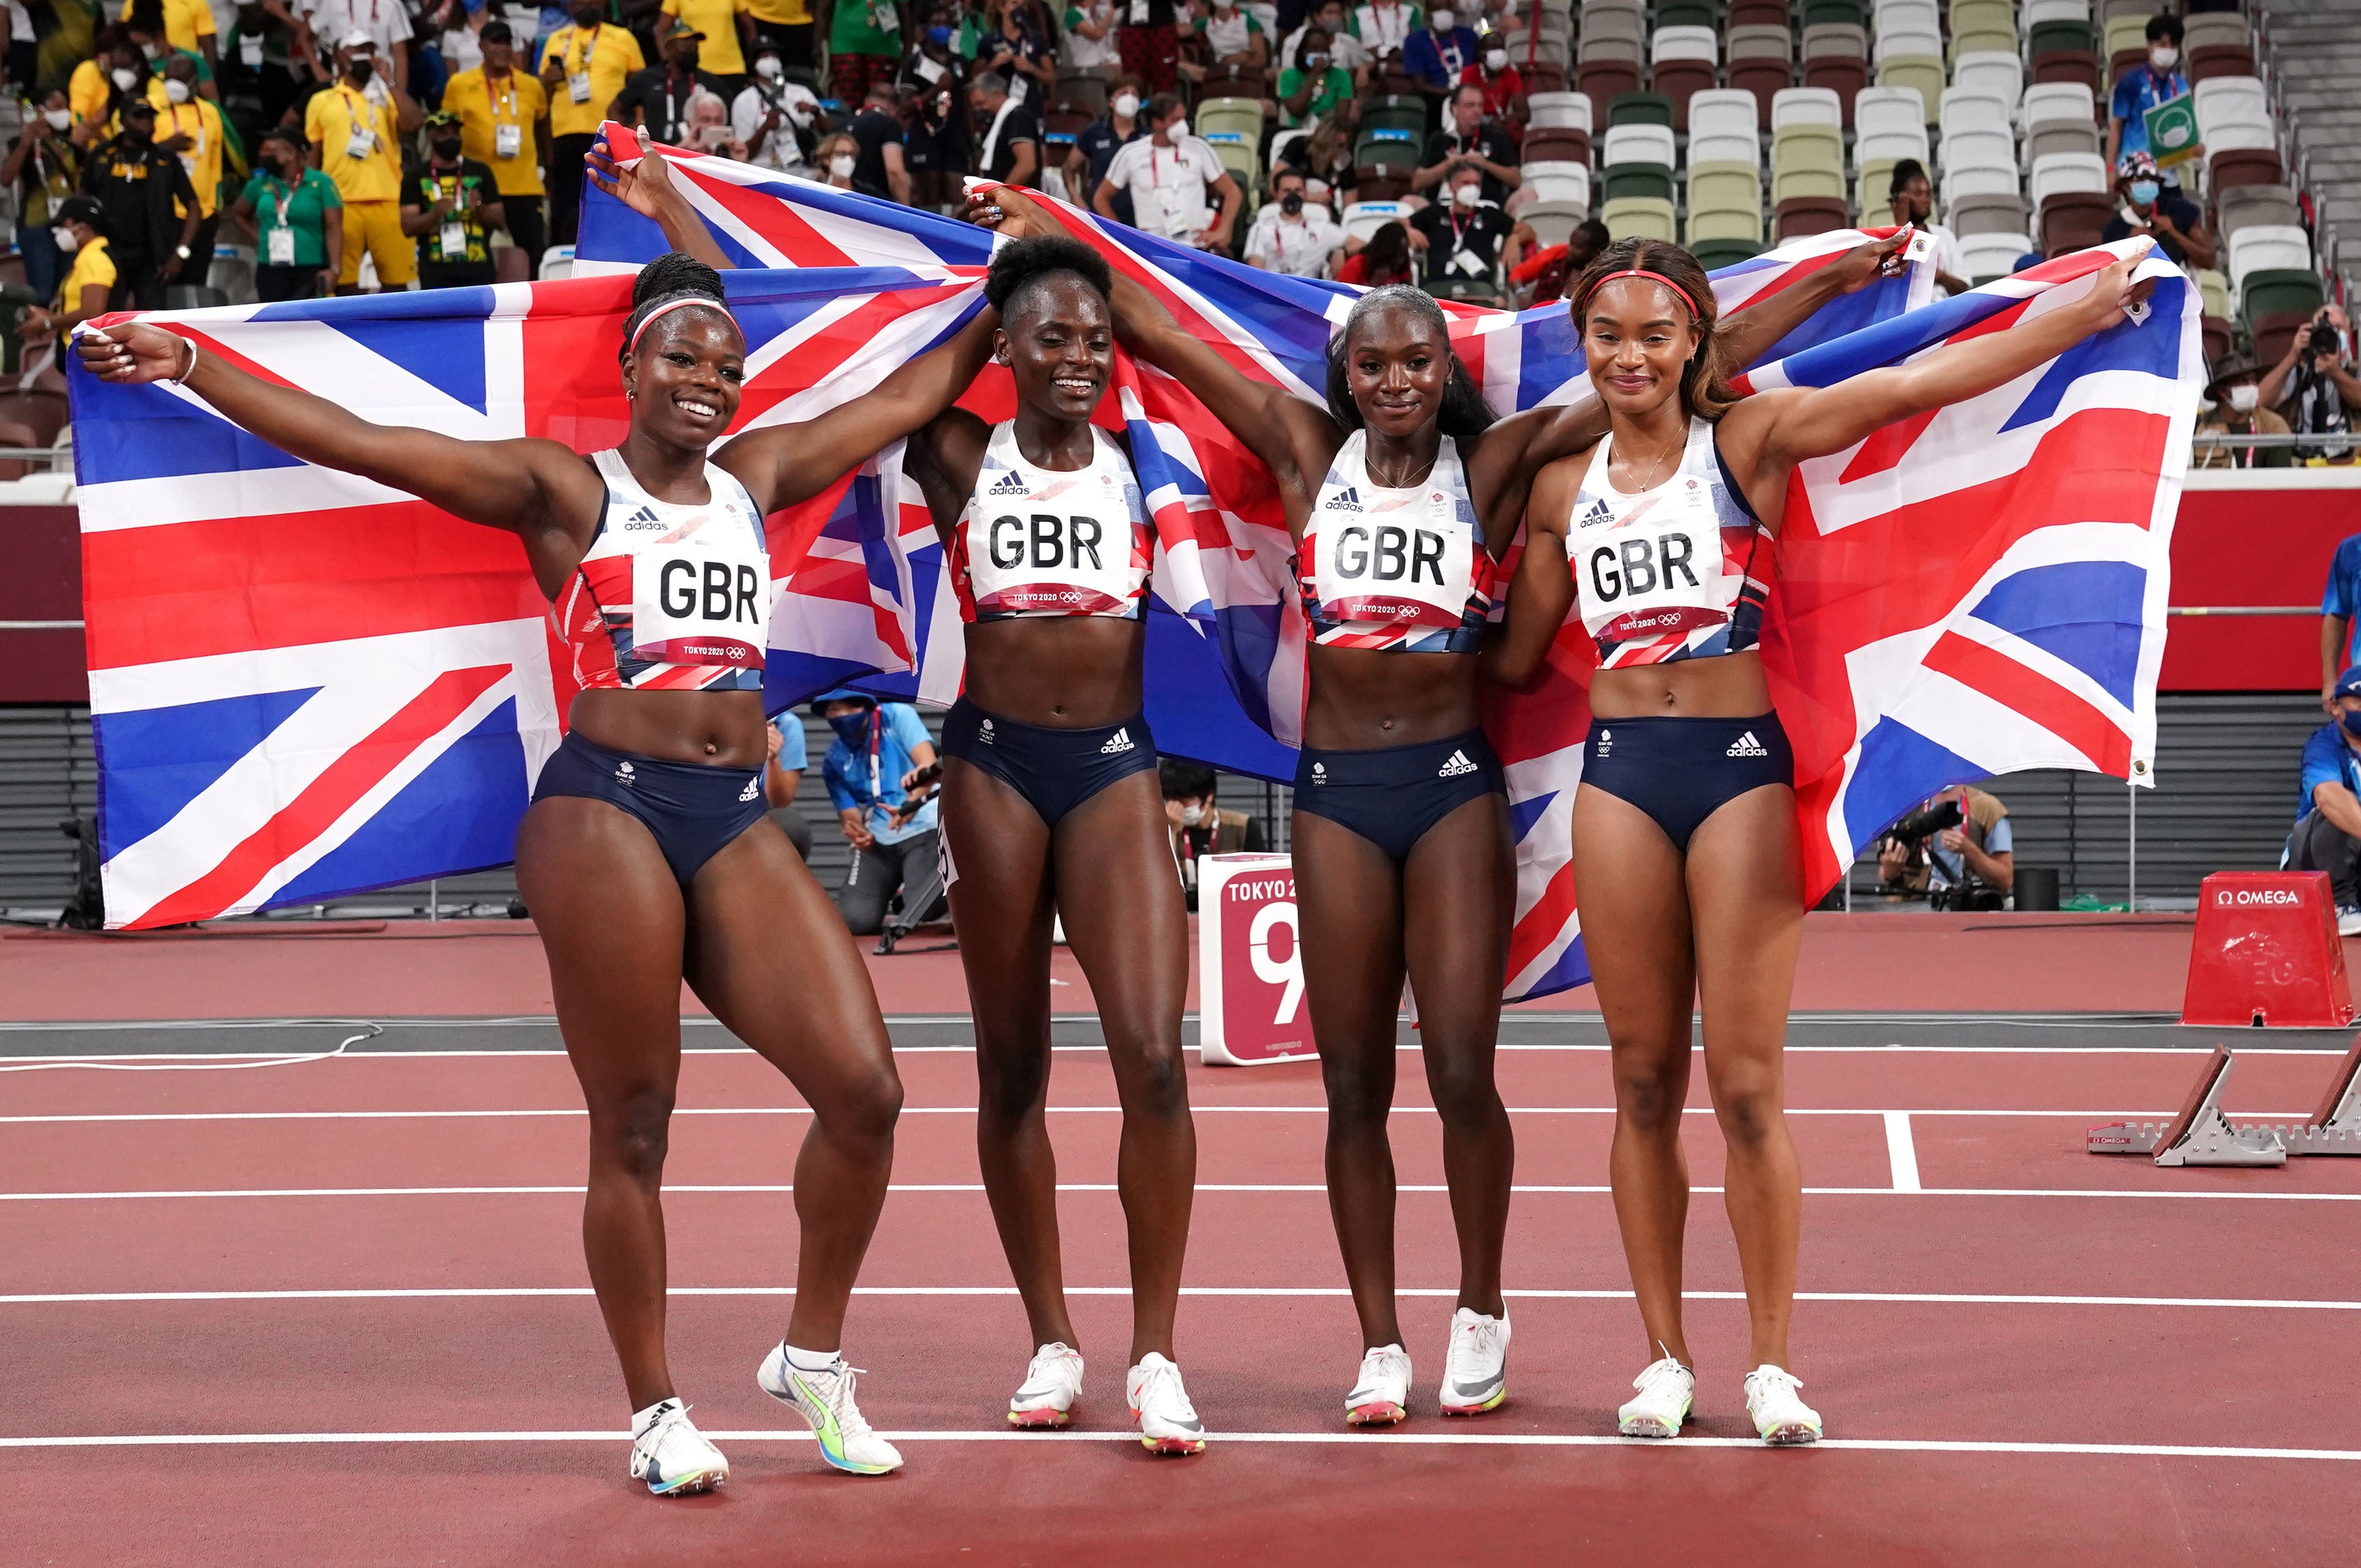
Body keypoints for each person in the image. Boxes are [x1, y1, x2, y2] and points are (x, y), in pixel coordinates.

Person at [77, 228, 1027, 1492]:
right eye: (683, 356)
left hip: (734, 813)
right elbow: (363, 444)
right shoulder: (565, 489)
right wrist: (192, 357)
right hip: (605, 813)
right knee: (636, 1125)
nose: (709, 377)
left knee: (867, 1094)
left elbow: (908, 394)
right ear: (633, 371)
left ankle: (812, 1358)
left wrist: (1011, 285)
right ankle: (655, 1413)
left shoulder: (758, 475)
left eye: (727, 362)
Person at [975, 186, 1914, 1436]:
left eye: (1418, 359)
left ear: (1443, 371)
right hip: (1334, 798)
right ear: (1344, 375)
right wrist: (1046, 237)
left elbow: (1687, 372)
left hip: (1455, 789)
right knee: (1352, 1085)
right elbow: (1166, 336)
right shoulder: (1307, 453)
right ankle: (1379, 1339)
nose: (1397, 379)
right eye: (1373, 363)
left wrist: (1837, 280)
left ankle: (1481, 1310)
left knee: (1465, 1073)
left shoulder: (1497, 460)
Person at [1491, 235, 2149, 1446]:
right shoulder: (1554, 488)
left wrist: (2072, 319)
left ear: (1694, 342)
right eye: (1606, 336)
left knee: (1746, 1088)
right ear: (1582, 347)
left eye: (1653, 334)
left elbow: (1912, 389)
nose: (1629, 355)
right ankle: (1663, 1362)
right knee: (1639, 1084)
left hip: (1736, 775)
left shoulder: (1747, 440)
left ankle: (1771, 1366)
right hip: (1618, 779)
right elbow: (1520, 658)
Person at [605, 158, 1214, 1453]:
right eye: (1049, 336)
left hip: (1114, 763)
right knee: (1012, 1072)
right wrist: (679, 225)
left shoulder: (1147, 461)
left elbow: (1179, 336)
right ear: (1003, 345)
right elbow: (831, 334)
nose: (1079, 357)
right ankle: (1053, 1339)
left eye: (1094, 341)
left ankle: (1157, 1350)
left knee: (1156, 1059)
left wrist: (1065, 237)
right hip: (994, 766)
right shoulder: (956, 447)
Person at [814, 691, 946, 936]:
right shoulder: (834, 759)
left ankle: (912, 890)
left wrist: (910, 805)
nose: (841, 714)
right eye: (833, 709)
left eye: (850, 706)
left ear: (866, 704)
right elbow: (849, 814)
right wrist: (858, 832)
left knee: (924, 908)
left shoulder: (896, 715)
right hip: (881, 838)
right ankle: (903, 888)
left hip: (923, 826)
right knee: (855, 920)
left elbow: (928, 768)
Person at [306, 33, 420, 293]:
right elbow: (313, 154)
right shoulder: (322, 100)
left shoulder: (386, 97)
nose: (363, 55)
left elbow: (414, 123)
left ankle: (393, 335)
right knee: (345, 285)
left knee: (396, 284)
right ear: (337, 55)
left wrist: (389, 81)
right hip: (340, 201)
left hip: (389, 198)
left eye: (369, 49)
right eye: (356, 49)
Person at [445, 20, 551, 277]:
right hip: (479, 186)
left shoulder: (530, 85)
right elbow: (447, 133)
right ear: (481, 46)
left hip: (525, 186)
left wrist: (549, 169)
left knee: (534, 256)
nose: (502, 48)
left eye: (507, 42)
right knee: (477, 259)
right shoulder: (460, 84)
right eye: (495, 42)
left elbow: (544, 129)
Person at [540, 0, 645, 246]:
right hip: (563, 135)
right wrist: (546, 81)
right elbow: (541, 96)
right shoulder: (555, 39)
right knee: (564, 207)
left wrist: (639, 127)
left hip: (609, 135)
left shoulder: (623, 37)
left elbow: (640, 87)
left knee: (609, 199)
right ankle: (562, 262)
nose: (586, 3)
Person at [80, 97, 200, 310]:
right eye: (138, 116)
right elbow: (80, 200)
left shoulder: (166, 159)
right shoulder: (101, 155)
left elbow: (193, 207)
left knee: (152, 321)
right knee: (106, 319)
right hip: (109, 251)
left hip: (152, 257)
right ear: (123, 120)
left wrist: (180, 253)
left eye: (149, 117)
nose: (146, 122)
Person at [1094, 92, 1239, 251]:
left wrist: (1224, 230)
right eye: (1175, 120)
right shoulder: (1131, 153)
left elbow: (1232, 191)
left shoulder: (1199, 148)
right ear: (1157, 123)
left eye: (1183, 119)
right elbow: (1101, 197)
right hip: (1150, 249)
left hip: (1195, 247)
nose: (1182, 125)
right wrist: (1122, 236)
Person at [141, 52, 225, 289]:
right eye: (168, 78)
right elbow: (137, 155)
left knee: (195, 284)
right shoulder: (153, 111)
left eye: (180, 78)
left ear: (195, 81)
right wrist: (166, 147)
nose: (173, 85)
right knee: (160, 286)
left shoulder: (210, 114)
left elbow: (215, 165)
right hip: (165, 215)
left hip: (203, 215)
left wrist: (216, 208)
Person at [228, 126, 343, 301]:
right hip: (270, 266)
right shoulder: (259, 184)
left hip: (310, 266)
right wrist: (259, 237)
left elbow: (334, 226)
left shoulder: (321, 183)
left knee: (308, 323)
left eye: (270, 151)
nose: (264, 155)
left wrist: (335, 268)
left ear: (290, 153)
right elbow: (238, 213)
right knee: (274, 322)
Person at [1, 88, 90, 308]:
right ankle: (38, 336)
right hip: (36, 225)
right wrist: (26, 141)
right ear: (40, 110)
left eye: (65, 106)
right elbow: (6, 178)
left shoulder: (68, 147)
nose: (64, 112)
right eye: (57, 107)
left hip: (66, 225)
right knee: (42, 293)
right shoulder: (21, 144)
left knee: (65, 290)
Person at [2290, 666, 2361, 932]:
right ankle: (2338, 907)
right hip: (2314, 862)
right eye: (2359, 701)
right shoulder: (2324, 746)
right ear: (2336, 706)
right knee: (2336, 807)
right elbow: (2327, 796)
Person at [403, 109, 505, 289]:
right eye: (444, 133)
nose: (452, 138)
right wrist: (434, 214)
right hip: (435, 272)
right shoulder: (415, 176)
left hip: (479, 270)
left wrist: (480, 208)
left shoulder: (480, 171)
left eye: (455, 133)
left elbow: (500, 222)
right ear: (430, 136)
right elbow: (407, 227)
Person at [2260, 303, 2359, 465]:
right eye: (2324, 329)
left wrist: (2335, 372)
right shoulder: (2301, 371)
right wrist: (2293, 356)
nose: (2330, 334)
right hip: (2303, 459)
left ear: (2348, 334)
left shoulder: (2355, 370)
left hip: (2348, 460)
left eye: (2337, 328)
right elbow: (2261, 402)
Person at [1875, 786, 2014, 902]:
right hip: (1915, 905)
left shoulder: (1988, 808)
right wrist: (1891, 870)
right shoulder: (1906, 807)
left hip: (1971, 904)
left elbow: (2005, 880)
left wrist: (1970, 851)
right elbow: (1885, 874)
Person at [1162, 757, 1266, 906]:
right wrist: (1170, 833)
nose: (1176, 808)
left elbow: (1261, 884)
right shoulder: (1163, 830)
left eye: (1186, 800)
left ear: (1209, 796)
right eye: (1171, 800)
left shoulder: (1243, 827)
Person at [15, 192, 114, 342]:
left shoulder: (95, 259)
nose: (59, 232)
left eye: (63, 226)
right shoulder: (84, 257)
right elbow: (77, 308)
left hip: (88, 353)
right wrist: (49, 316)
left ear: (83, 226)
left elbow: (92, 314)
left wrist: (48, 323)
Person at [2099, 150, 2213, 273]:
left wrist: (2174, 233)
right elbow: (2108, 274)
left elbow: (2210, 261)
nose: (2148, 183)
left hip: (2178, 285)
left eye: (2152, 179)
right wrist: (2129, 245)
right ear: (2125, 186)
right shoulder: (2114, 229)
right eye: (2140, 179)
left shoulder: (2179, 210)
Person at [2106, 13, 2191, 176]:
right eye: (2163, 44)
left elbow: (2185, 129)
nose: (2168, 50)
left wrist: (2195, 149)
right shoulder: (2130, 82)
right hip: (2134, 169)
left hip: (2168, 172)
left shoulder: (2180, 84)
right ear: (2150, 45)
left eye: (2173, 46)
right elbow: (2116, 127)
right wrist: (2110, 169)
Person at [615, 26, 727, 145]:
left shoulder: (709, 81)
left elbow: (726, 118)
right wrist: (625, 140)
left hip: (698, 154)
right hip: (656, 154)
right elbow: (615, 108)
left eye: (695, 47)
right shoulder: (648, 79)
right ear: (670, 49)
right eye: (687, 46)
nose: (692, 50)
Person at [1409, 161, 1515, 285]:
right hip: (1438, 286)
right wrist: (1408, 230)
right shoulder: (1435, 213)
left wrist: (1514, 239)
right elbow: (1398, 225)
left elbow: (1525, 229)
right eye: (1466, 183)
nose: (1472, 188)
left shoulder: (1489, 214)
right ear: (1451, 186)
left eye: (1476, 184)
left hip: (1479, 287)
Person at [1413, 82, 1515, 204]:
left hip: (1486, 206)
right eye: (1470, 105)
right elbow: (1417, 183)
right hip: (1443, 207)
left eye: (1480, 105)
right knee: (1409, 201)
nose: (1477, 111)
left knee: (1527, 194)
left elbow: (1516, 179)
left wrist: (1486, 164)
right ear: (1454, 109)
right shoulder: (1439, 138)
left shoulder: (1497, 136)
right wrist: (1447, 165)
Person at [734, 39, 824, 174]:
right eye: (764, 57)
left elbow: (829, 131)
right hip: (761, 170)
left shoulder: (801, 92)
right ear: (754, 64)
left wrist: (814, 111)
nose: (771, 60)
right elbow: (743, 153)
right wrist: (765, 128)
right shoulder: (744, 100)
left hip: (802, 168)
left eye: (775, 56)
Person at [2191, 353, 2289, 471]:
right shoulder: (2200, 425)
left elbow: (2281, 479)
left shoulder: (2274, 426)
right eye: (2243, 381)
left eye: (2253, 380)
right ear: (2222, 391)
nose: (2252, 386)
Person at [1066, 73, 1143, 220]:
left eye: (1134, 94)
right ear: (1111, 101)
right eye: (1123, 93)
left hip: (1139, 217)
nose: (1130, 98)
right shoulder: (1094, 132)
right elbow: (1069, 167)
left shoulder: (1147, 136)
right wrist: (1075, 196)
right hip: (1099, 216)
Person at [1887, 158, 1967, 297]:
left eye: (1928, 194)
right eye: (1918, 194)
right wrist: (1902, 226)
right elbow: (1891, 280)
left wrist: (1939, 275)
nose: (1926, 200)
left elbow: (1963, 288)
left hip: (1942, 311)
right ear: (1900, 197)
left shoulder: (1945, 236)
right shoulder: (1885, 237)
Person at [1245, 165, 1343, 275]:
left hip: (1309, 289)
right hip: (1273, 288)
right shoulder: (1260, 229)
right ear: (1276, 195)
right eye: (1287, 191)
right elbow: (1255, 271)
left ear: (1305, 194)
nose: (1292, 196)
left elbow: (1359, 244)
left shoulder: (1321, 227)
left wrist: (1341, 250)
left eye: (1298, 191)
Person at [1506, 214, 1608, 308]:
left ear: (1596, 252)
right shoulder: (1559, 253)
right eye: (1571, 243)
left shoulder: (1607, 275)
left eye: (1577, 247)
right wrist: (1521, 294)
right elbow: (1517, 274)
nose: (1569, 249)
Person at [659, 0, 752, 97]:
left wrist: (753, 61)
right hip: (697, 69)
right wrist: (668, 60)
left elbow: (749, 27)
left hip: (733, 68)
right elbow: (661, 30)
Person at [969, 67, 1039, 187]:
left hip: (1016, 201)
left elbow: (1027, 165)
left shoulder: (1018, 117)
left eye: (981, 103)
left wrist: (1000, 194)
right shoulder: (997, 121)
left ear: (997, 94)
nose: (979, 109)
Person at [828, 0, 903, 107]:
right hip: (845, 45)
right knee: (849, 102)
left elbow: (904, 10)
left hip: (884, 47)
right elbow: (823, 9)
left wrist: (909, 49)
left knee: (881, 101)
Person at [847, 80, 911, 203]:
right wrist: (906, 209)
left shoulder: (846, 123)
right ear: (895, 108)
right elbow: (894, 171)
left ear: (867, 100)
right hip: (874, 203)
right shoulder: (889, 124)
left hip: (843, 199)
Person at [1276, 26, 1350, 129]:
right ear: (1305, 52)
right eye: (1315, 49)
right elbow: (1296, 111)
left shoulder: (1342, 76)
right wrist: (1314, 73)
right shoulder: (1287, 76)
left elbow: (1342, 116)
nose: (1319, 54)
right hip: (1299, 130)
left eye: (1324, 49)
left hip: (1330, 132)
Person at [1181, 0, 1265, 92]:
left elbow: (1260, 59)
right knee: (1183, 67)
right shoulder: (1208, 22)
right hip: (1221, 71)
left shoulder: (1246, 18)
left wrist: (1239, 64)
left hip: (1246, 72)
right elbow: (1182, 31)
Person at [1400, 2, 1472, 105]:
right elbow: (1419, 85)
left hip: (1471, 97)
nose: (1444, 12)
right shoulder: (1415, 41)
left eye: (1448, 7)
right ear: (1428, 14)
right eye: (1437, 8)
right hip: (1435, 101)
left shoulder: (1468, 35)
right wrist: (1454, 94)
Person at [766, 714, 814, 859]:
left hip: (758, 816)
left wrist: (773, 760)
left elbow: (781, 802)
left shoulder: (787, 724)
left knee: (791, 827)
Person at [1116, 0, 1180, 96]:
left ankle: (1163, 109)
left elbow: (1181, 3)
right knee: (1133, 80)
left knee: (1165, 82)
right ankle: (1133, 108)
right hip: (1134, 28)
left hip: (1163, 26)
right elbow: (1116, 3)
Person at [1334, 214, 1411, 284]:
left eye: (1402, 255)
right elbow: (1343, 295)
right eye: (1395, 254)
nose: (1400, 261)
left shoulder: (1402, 268)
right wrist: (1375, 283)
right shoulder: (1356, 265)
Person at [1063, 0, 1120, 78]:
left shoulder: (1099, 12)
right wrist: (1111, 12)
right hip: (1087, 67)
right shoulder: (1072, 14)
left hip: (1106, 62)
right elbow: (1096, 35)